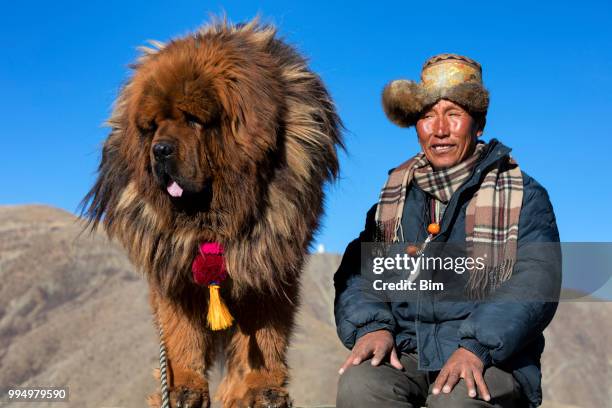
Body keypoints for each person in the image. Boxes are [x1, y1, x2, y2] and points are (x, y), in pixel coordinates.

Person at [334, 54, 561, 408]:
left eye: (453, 114)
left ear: (479, 124)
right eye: (427, 116)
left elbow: (535, 282)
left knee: (454, 401)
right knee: (361, 385)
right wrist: (372, 326)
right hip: (407, 350)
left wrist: (476, 347)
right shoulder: (393, 197)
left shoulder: (522, 195)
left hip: (492, 359)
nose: (439, 129)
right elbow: (360, 274)